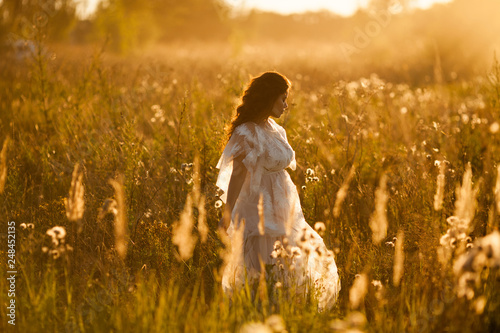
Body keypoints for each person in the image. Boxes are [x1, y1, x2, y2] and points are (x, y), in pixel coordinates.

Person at [216, 71, 340, 311]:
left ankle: (285, 308)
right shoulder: (247, 132)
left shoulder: (275, 129)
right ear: (269, 97)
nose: (286, 105)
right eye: (282, 98)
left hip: (285, 204)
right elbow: (239, 174)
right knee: (263, 261)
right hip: (259, 206)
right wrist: (227, 211)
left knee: (289, 256)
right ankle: (260, 310)